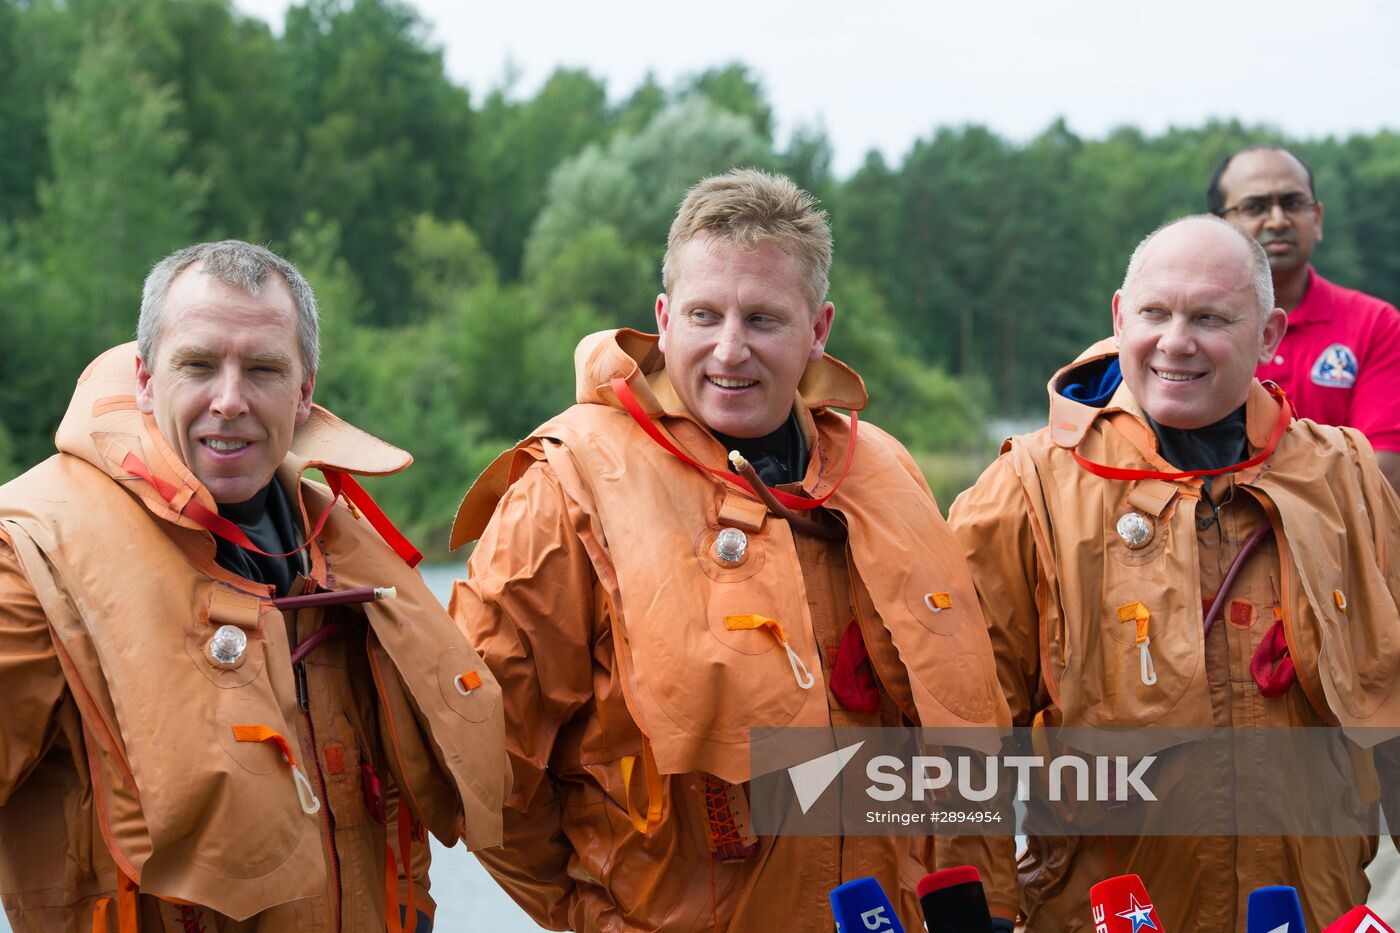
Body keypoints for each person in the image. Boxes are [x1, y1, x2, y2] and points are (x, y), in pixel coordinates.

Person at [449, 169, 1009, 931]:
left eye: (764, 319)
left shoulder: (886, 470)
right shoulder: (569, 483)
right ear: (663, 316)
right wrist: (593, 911)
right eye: (704, 314)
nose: (729, 349)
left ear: (819, 329)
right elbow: (486, 759)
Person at [0, 241, 508, 932]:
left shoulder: (340, 543)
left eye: (263, 368)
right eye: (199, 365)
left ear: (305, 391)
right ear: (147, 380)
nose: (230, 400)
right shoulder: (28, 557)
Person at [940, 215, 1400, 931]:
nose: (1175, 341)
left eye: (1210, 317)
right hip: (1100, 912)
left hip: (1313, 909)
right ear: (1122, 317)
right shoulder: (1027, 489)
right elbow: (959, 727)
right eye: (1155, 313)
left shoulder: (1344, 477)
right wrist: (983, 907)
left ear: (1271, 335)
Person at [1208, 145, 1400, 492]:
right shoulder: (1187, 329)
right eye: (1255, 206)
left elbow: (1382, 472)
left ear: (1318, 219)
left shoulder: (1376, 323)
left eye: (1294, 203)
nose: (1279, 220)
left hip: (1337, 544)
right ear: (1218, 227)